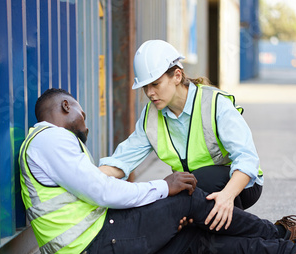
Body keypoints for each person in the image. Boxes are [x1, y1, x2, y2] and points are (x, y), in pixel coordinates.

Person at [19, 88, 296, 254]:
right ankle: (282, 233)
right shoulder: (52, 138)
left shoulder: (46, 144)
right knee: (187, 200)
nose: (84, 118)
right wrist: (164, 187)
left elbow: (97, 186)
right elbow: (103, 191)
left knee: (193, 237)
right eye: (80, 110)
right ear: (63, 108)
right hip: (92, 248)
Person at [99, 40, 263, 231]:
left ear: (177, 76)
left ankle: (269, 233)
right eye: (145, 87)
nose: (150, 93)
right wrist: (86, 179)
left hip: (239, 184)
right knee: (168, 202)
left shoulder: (214, 104)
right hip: (193, 185)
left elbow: (247, 159)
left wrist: (227, 196)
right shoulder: (151, 117)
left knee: (195, 182)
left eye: (155, 84)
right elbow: (122, 161)